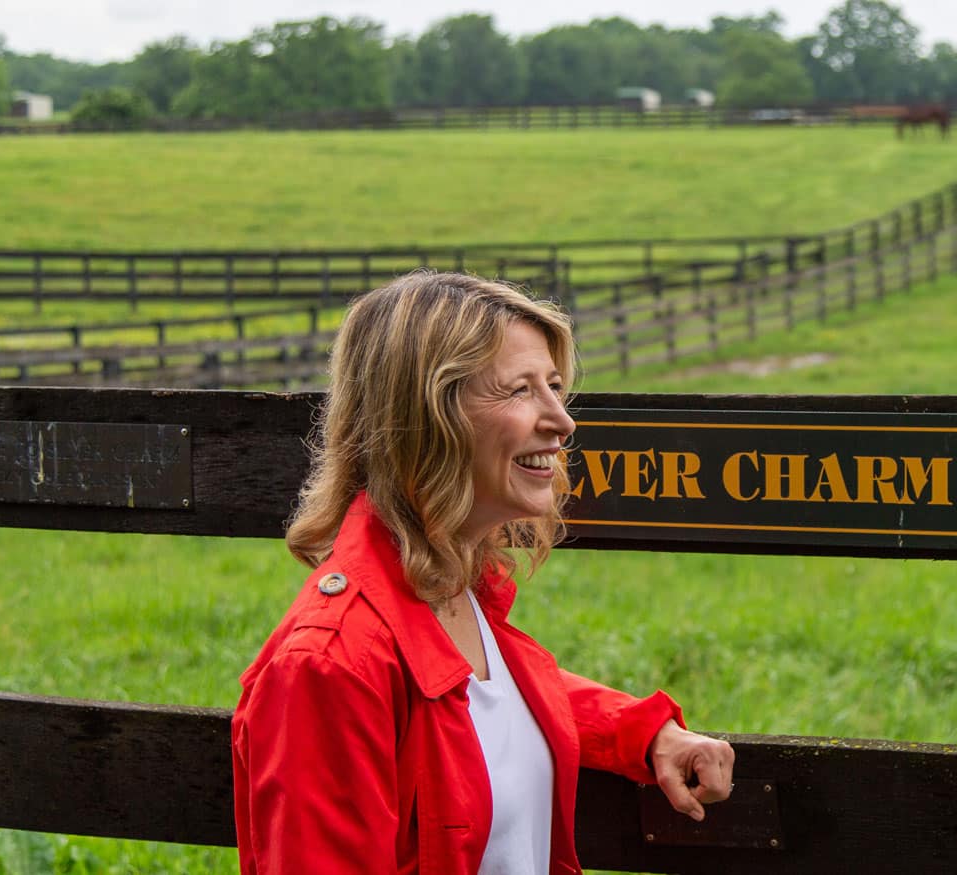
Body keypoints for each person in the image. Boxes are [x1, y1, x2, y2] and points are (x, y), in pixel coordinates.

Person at [232, 272, 735, 874]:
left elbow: (477, 708)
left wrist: (645, 733)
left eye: (554, 387)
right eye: (521, 391)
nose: (561, 420)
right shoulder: (328, 666)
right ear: (427, 417)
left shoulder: (447, 588)